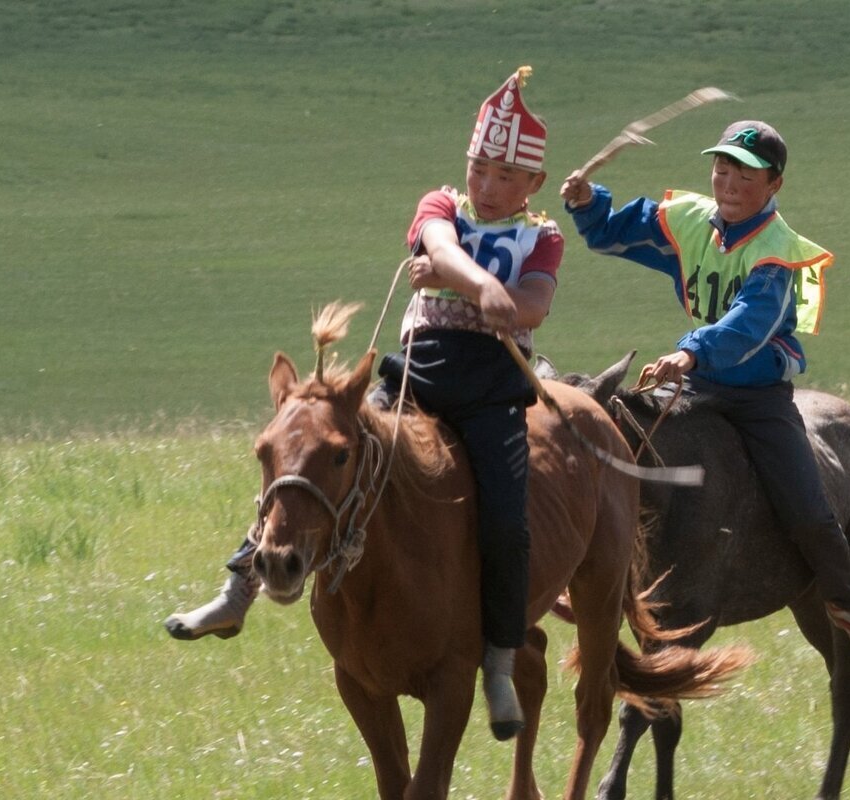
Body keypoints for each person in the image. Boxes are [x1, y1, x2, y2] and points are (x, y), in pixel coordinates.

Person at [166, 66, 561, 739]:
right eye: (478, 169)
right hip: (415, 376)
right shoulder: (439, 206)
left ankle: (498, 660)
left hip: (494, 391)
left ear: (531, 186)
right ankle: (239, 591)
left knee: (506, 519)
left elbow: (534, 307)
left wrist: (480, 290)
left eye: (503, 176)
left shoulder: (542, 238)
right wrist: (475, 285)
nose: (486, 186)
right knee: (311, 459)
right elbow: (437, 245)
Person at [557, 119, 850, 657]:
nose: (729, 182)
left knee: (807, 503)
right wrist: (586, 202)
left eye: (745, 174)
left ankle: (848, 603)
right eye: (722, 168)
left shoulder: (778, 252)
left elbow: (749, 323)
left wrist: (691, 350)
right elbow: (618, 230)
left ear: (774, 184)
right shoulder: (690, 221)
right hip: (693, 386)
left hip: (756, 399)